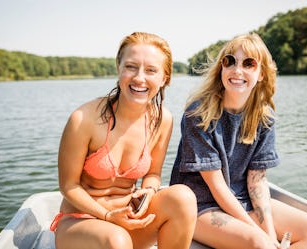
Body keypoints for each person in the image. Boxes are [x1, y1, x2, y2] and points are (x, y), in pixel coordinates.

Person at [170, 33, 307, 249]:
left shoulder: (264, 118)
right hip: (200, 206)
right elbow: (216, 186)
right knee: (259, 244)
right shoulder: (198, 114)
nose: (237, 70)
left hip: (243, 199)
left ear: (262, 74)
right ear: (221, 69)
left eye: (249, 63)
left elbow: (257, 181)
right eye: (230, 62)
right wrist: (261, 235)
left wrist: (270, 233)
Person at [51, 32, 197, 249]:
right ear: (118, 68)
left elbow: (153, 174)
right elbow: (68, 186)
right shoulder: (84, 119)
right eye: (131, 66)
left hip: (127, 222)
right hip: (80, 223)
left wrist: (148, 190)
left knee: (183, 198)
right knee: (116, 239)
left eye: (151, 70)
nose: (139, 78)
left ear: (164, 78)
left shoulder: (162, 120)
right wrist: (108, 215)